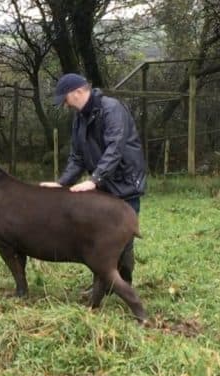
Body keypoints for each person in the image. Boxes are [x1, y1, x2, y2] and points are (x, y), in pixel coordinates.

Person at [40, 72, 146, 290]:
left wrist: (94, 179)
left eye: (66, 99)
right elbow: (77, 156)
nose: (66, 105)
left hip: (125, 183)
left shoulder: (112, 109)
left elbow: (115, 148)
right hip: (104, 184)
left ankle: (123, 285)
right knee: (98, 236)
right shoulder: (80, 117)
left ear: (78, 92)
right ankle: (103, 282)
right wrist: (62, 183)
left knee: (121, 237)